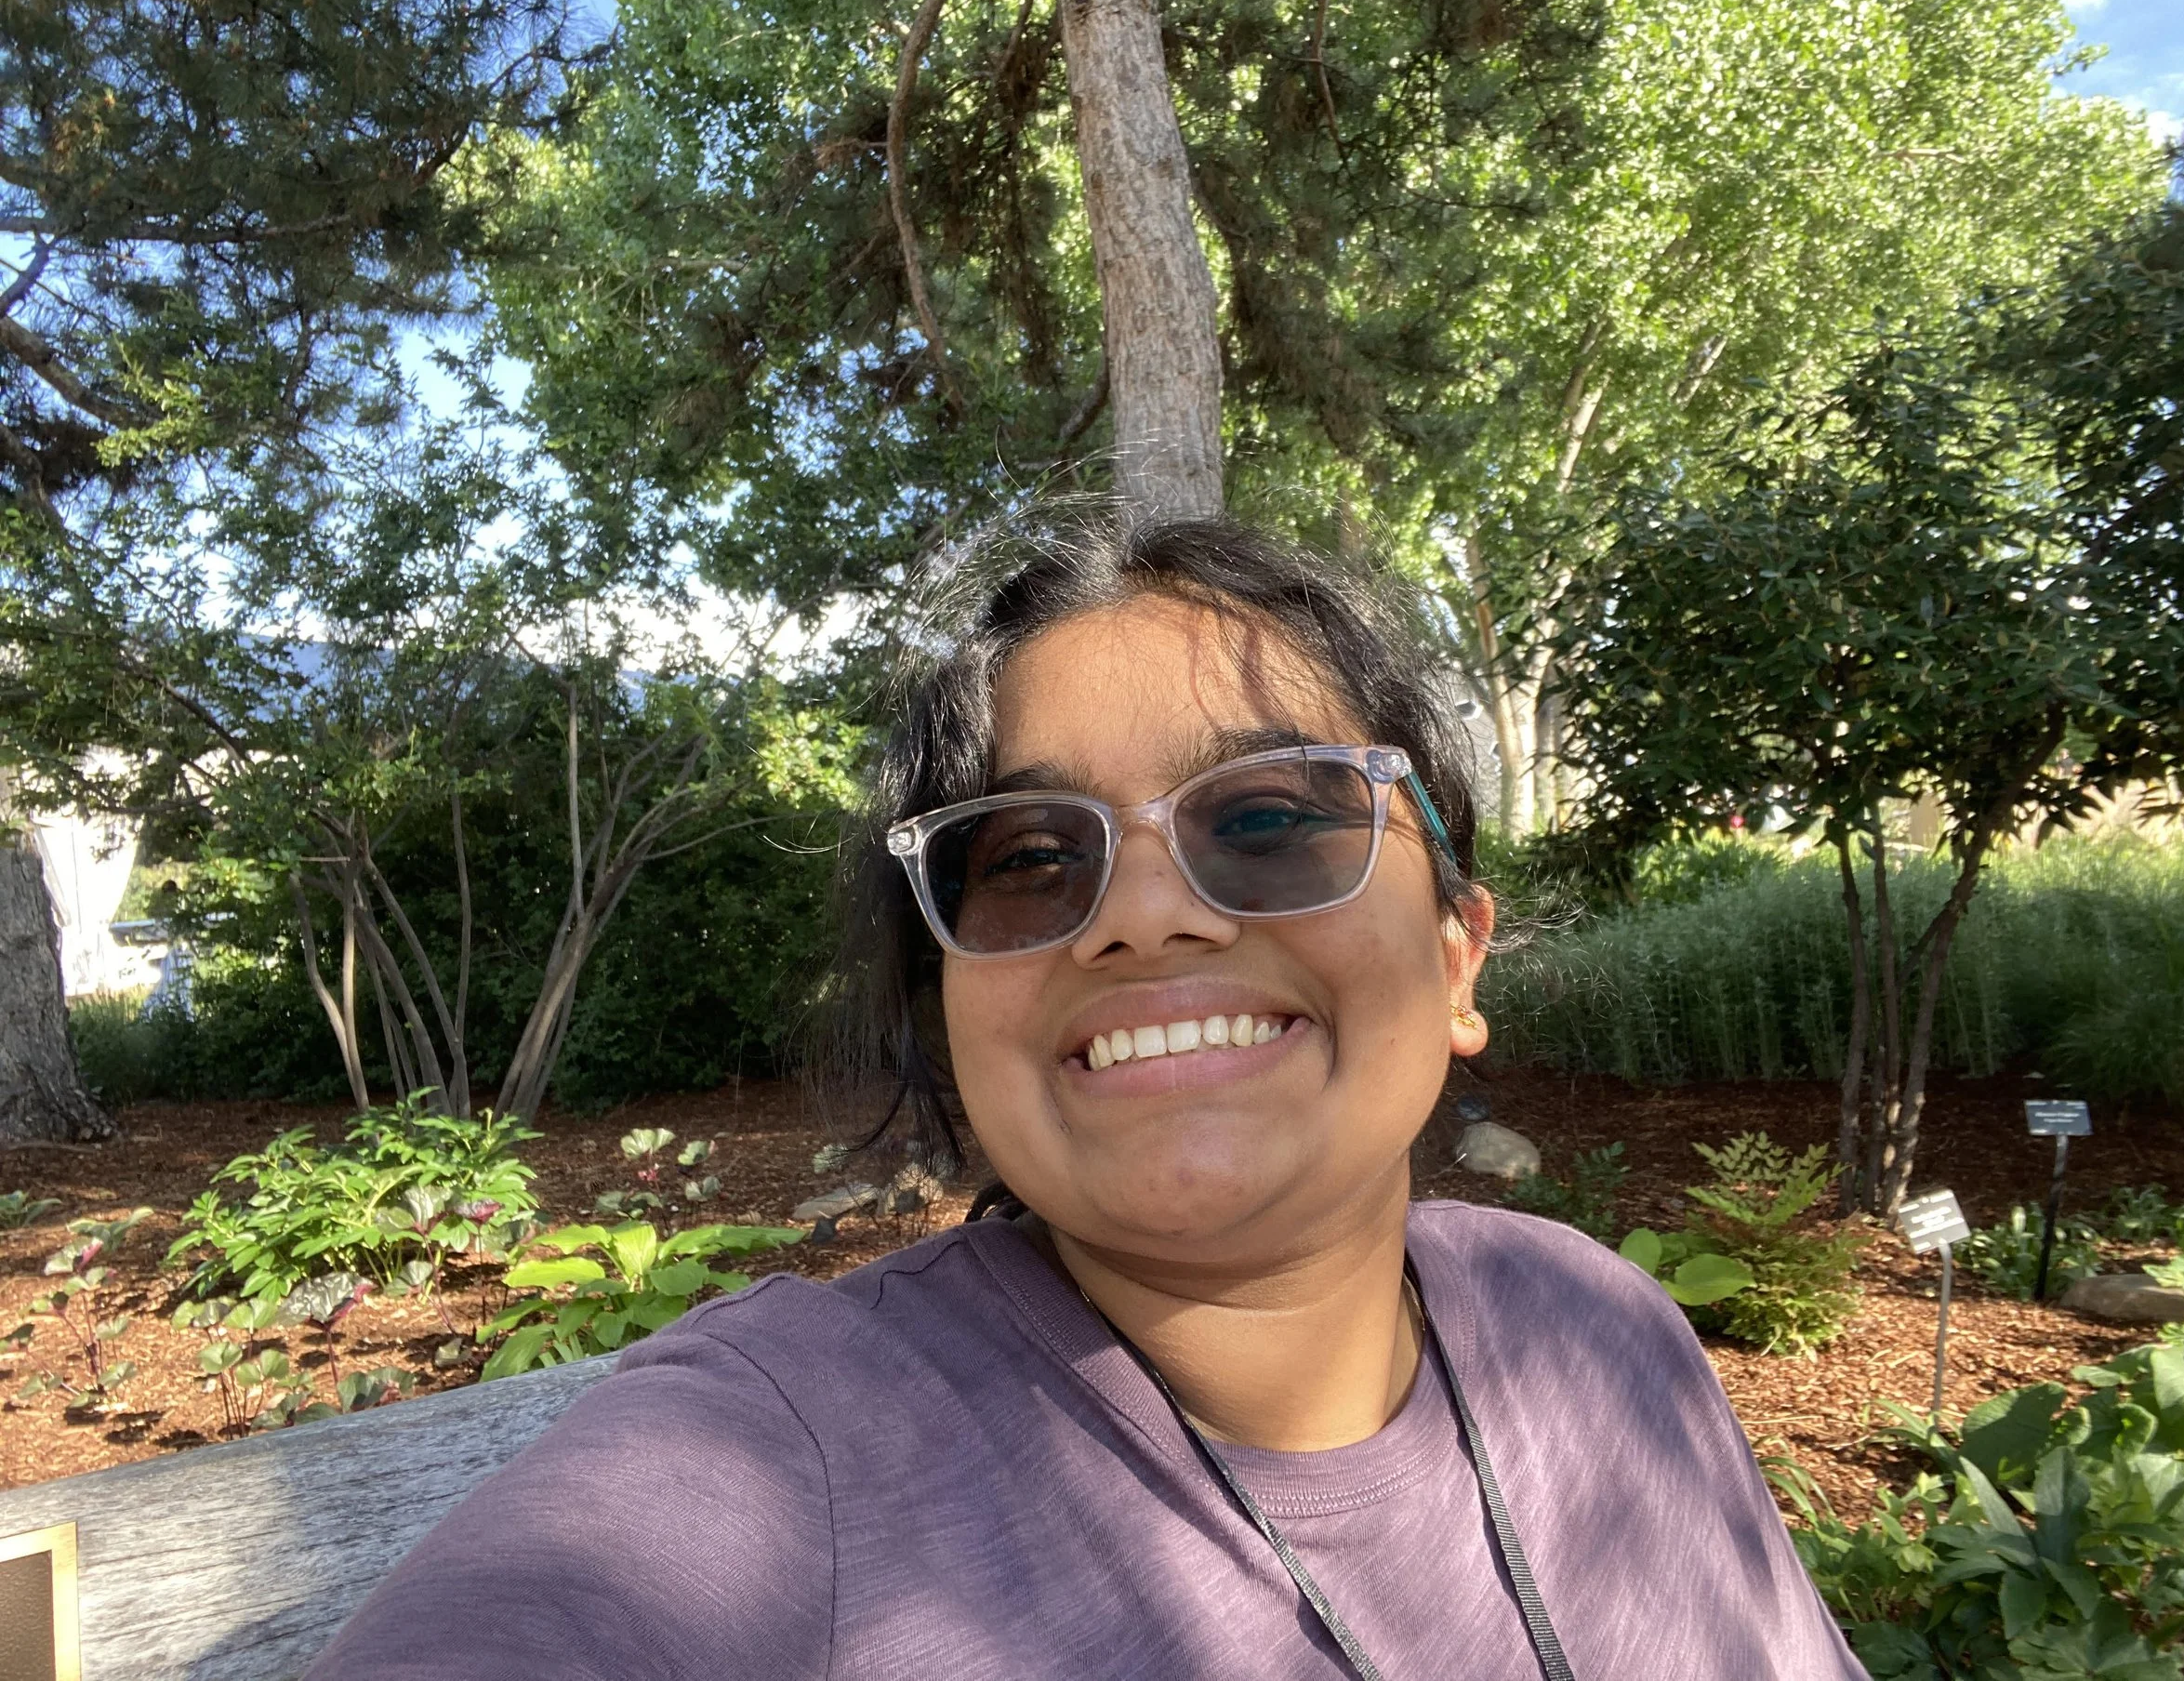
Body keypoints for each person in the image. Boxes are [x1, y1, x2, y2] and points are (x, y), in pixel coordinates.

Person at [307, 513, 1868, 1680]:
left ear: (1460, 953)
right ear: (953, 1012)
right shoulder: (778, 1456)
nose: (1141, 915)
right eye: (1032, 858)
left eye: (1269, 818)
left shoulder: (1599, 1325)